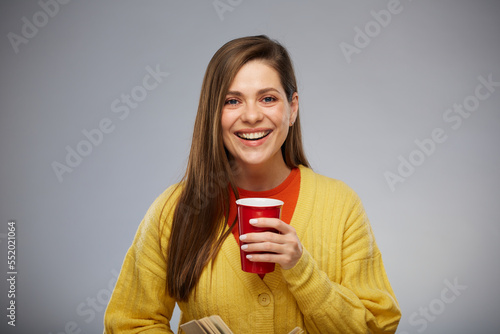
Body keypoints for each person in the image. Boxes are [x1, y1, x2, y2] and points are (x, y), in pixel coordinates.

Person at [104, 35, 401, 333]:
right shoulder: (175, 209)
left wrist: (301, 268)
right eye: (232, 101)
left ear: (292, 107)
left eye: (268, 98)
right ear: (213, 114)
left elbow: (378, 327)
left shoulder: (341, 205)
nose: (251, 116)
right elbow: (129, 324)